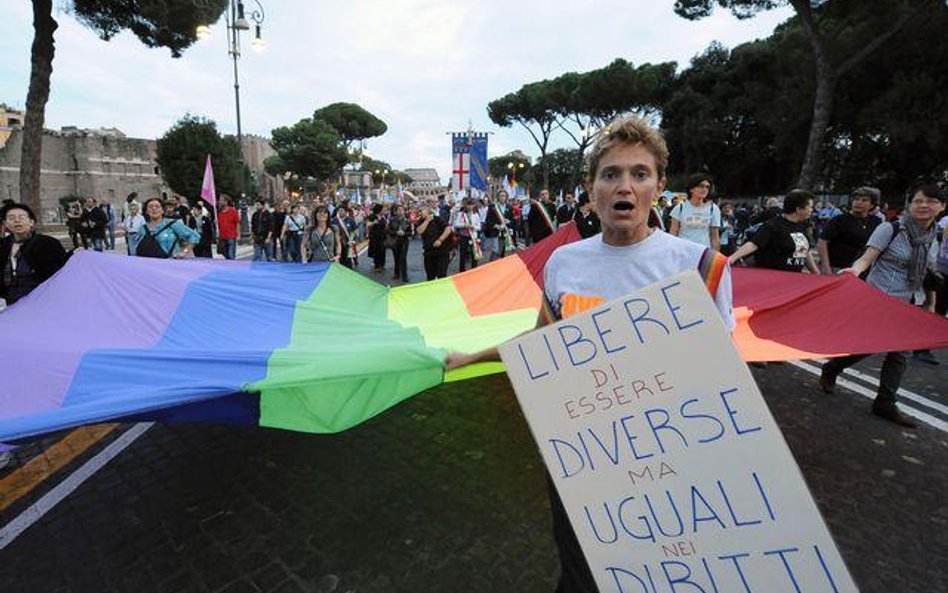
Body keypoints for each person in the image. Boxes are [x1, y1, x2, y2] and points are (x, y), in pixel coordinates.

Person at [445, 115, 733, 592]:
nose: (626, 186)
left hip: (666, 457)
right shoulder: (564, 263)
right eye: (611, 174)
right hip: (580, 451)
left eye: (640, 174)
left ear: (660, 186)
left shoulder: (699, 267)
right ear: (591, 188)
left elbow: (721, 375)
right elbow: (541, 342)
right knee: (578, 573)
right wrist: (470, 357)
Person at [819, 184, 946, 427]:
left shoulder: (933, 237)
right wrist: (855, 270)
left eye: (931, 201)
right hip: (881, 298)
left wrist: (930, 304)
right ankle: (833, 367)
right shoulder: (891, 228)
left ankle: (885, 402)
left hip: (910, 302)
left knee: (901, 352)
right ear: (910, 204)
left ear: (941, 207)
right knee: (869, 346)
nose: (923, 205)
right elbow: (867, 258)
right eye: (919, 200)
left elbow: (928, 273)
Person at [728, 190, 820, 274]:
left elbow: (804, 251)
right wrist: (732, 258)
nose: (812, 210)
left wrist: (816, 272)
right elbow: (754, 244)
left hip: (795, 279)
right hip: (774, 278)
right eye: (810, 207)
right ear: (798, 209)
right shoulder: (773, 225)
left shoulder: (801, 225)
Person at [0, 203, 68, 306]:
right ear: (5, 224)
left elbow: (62, 269)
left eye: (21, 217)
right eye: (11, 218)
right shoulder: (3, 245)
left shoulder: (48, 244)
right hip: (12, 300)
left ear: (31, 222)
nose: (17, 220)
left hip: (41, 299)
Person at [817, 187, 882, 275]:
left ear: (872, 205)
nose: (858, 202)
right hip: (836, 268)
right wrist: (826, 268)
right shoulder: (839, 220)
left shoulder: (876, 221)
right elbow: (822, 242)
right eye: (856, 199)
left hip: (860, 270)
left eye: (864, 200)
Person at [668, 173, 721, 250]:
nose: (704, 189)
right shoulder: (680, 208)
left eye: (707, 187)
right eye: (701, 186)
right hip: (683, 252)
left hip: (703, 254)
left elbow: (715, 237)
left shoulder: (713, 209)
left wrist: (715, 258)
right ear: (691, 189)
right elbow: (673, 235)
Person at [417, 199, 453, 280]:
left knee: (441, 275)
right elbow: (419, 231)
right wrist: (427, 221)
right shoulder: (421, 221)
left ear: (427, 210)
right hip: (429, 252)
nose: (419, 213)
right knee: (430, 276)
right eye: (419, 211)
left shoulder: (437, 219)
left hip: (442, 251)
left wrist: (440, 240)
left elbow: (448, 229)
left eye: (421, 210)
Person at [453, 199, 481, 273]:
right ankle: (462, 270)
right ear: (466, 205)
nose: (470, 206)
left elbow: (479, 227)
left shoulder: (476, 214)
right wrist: (464, 225)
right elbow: (456, 224)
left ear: (474, 205)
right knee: (463, 254)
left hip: (473, 237)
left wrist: (473, 227)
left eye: (472, 204)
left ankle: (474, 270)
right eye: (468, 205)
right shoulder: (461, 214)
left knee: (474, 253)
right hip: (464, 236)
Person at [388, 204, 413, 282]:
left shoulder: (407, 221)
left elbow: (410, 233)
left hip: (404, 242)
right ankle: (396, 274)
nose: (400, 211)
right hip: (395, 242)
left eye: (402, 210)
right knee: (396, 258)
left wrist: (404, 233)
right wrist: (396, 232)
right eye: (399, 210)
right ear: (396, 212)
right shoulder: (392, 221)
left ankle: (404, 276)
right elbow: (388, 231)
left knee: (403, 258)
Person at [217, 195, 240, 260]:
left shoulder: (233, 211)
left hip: (231, 236)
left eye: (221, 200)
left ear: (226, 202)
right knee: (226, 255)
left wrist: (238, 235)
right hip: (223, 237)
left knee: (231, 255)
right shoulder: (220, 213)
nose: (219, 202)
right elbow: (219, 225)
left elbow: (237, 223)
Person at [367, 203, 388, 272]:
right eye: (383, 209)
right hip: (374, 237)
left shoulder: (383, 217)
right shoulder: (372, 216)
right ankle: (376, 266)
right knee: (376, 251)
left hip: (382, 237)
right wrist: (373, 223)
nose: (384, 210)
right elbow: (368, 225)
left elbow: (386, 225)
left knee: (382, 251)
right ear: (379, 210)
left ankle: (382, 264)